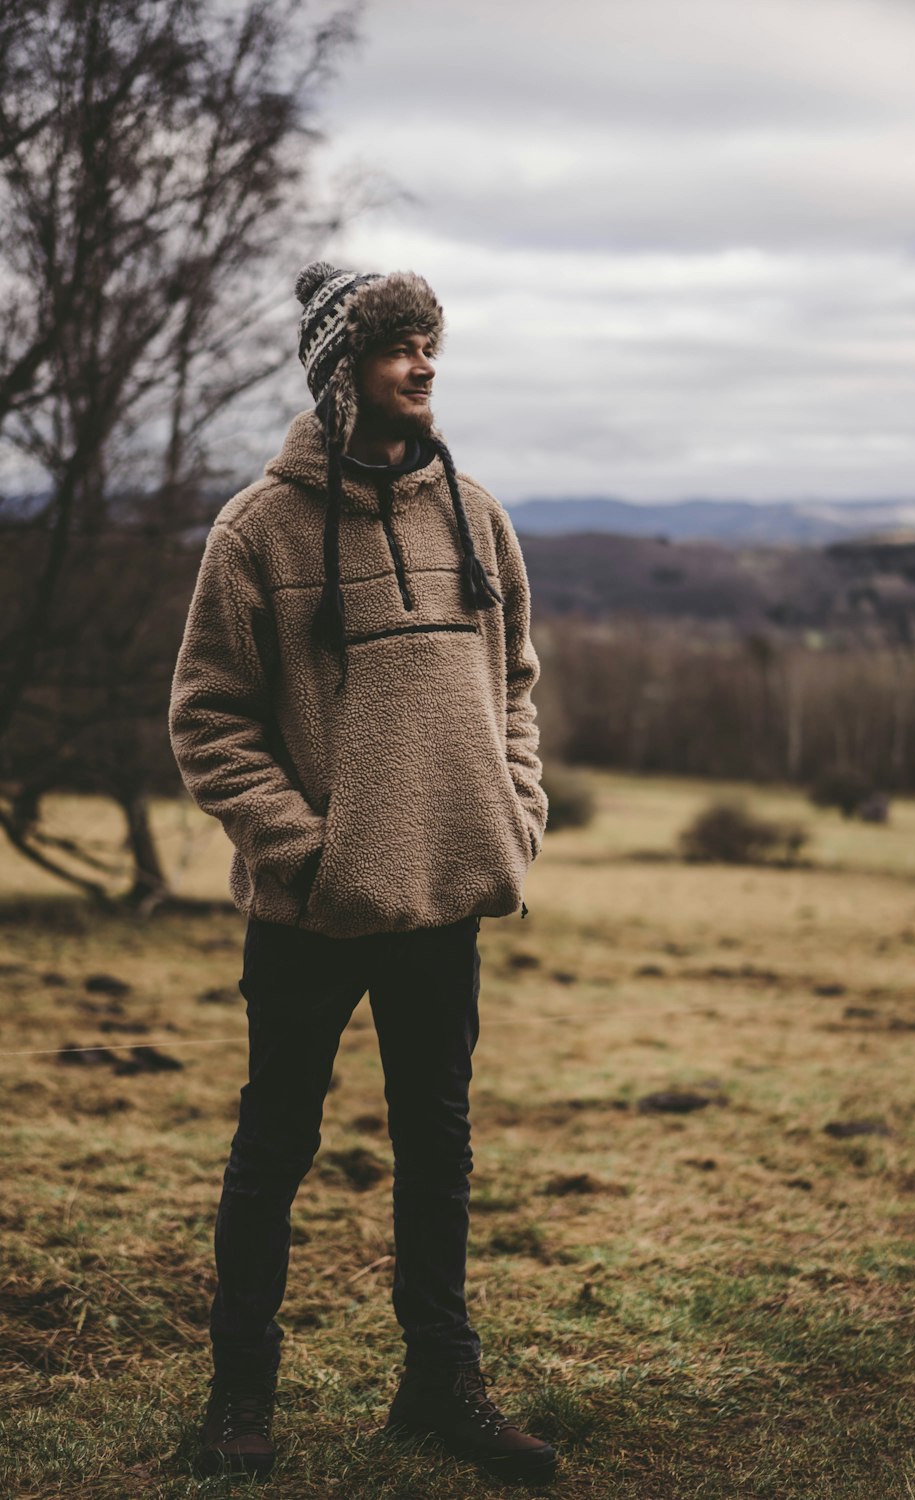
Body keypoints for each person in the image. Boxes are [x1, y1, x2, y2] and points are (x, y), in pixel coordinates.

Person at [167, 262, 555, 1484]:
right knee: (272, 1148)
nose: (425, 365)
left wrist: (516, 811)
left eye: (431, 341)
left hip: (445, 903)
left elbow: (518, 687)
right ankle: (241, 1402)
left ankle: (438, 1389)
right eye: (399, 346)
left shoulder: (474, 515)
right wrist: (308, 852)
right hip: (312, 915)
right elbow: (209, 721)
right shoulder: (257, 531)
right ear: (343, 372)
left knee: (438, 1151)